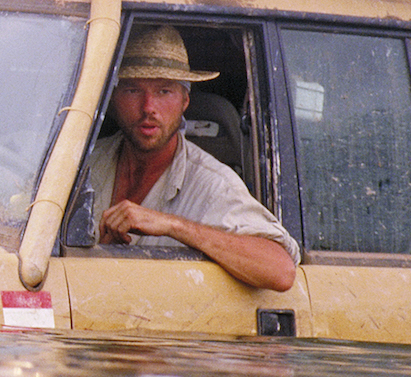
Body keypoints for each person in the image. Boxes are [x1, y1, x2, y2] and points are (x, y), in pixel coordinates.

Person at [87, 25, 299, 291]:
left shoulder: (212, 183)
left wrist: (171, 225)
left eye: (164, 91)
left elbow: (280, 271)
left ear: (185, 101)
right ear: (114, 98)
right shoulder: (84, 164)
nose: (148, 108)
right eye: (132, 90)